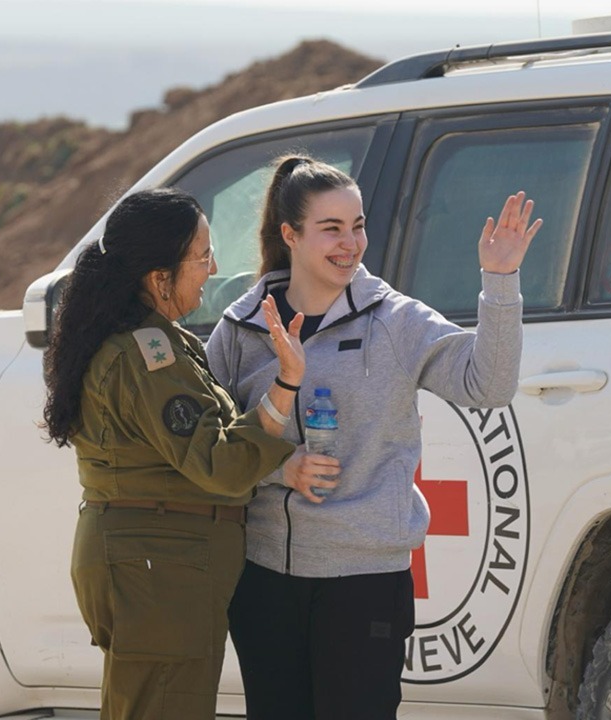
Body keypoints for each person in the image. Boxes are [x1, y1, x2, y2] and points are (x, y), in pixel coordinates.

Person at [206, 156, 541, 719]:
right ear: (290, 235)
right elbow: (213, 443)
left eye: (358, 226)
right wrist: (280, 468)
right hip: (264, 579)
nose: (350, 244)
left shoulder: (396, 320)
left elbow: (488, 385)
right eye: (331, 229)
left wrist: (500, 282)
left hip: (364, 582)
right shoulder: (241, 328)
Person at [42, 187, 312, 720]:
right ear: (158, 277)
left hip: (159, 572)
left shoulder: (153, 340)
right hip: (159, 575)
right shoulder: (148, 353)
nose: (214, 269)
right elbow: (218, 464)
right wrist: (286, 385)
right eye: (202, 256)